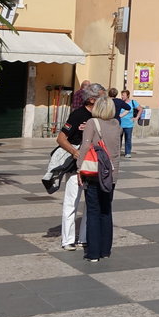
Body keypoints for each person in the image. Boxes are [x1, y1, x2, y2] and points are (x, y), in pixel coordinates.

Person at [55, 81, 105, 250]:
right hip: (76, 165)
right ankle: (67, 240)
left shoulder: (100, 117)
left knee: (90, 202)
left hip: (94, 164)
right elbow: (61, 138)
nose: (104, 102)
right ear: (91, 99)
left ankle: (84, 237)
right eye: (101, 98)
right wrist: (75, 152)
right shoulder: (78, 115)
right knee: (71, 201)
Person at [77, 94, 122, 262]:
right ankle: (105, 250)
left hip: (94, 173)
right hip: (110, 174)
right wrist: (114, 174)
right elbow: (116, 152)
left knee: (93, 211)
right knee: (106, 211)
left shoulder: (92, 123)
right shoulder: (117, 124)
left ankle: (93, 253)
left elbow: (85, 147)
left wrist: (79, 169)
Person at [113, 88, 138, 158]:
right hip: (120, 123)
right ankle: (117, 152)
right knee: (118, 139)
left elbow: (140, 109)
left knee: (128, 138)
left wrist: (136, 117)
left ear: (128, 96)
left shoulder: (133, 102)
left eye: (123, 95)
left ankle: (128, 152)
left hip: (129, 124)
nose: (122, 96)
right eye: (121, 95)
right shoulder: (120, 102)